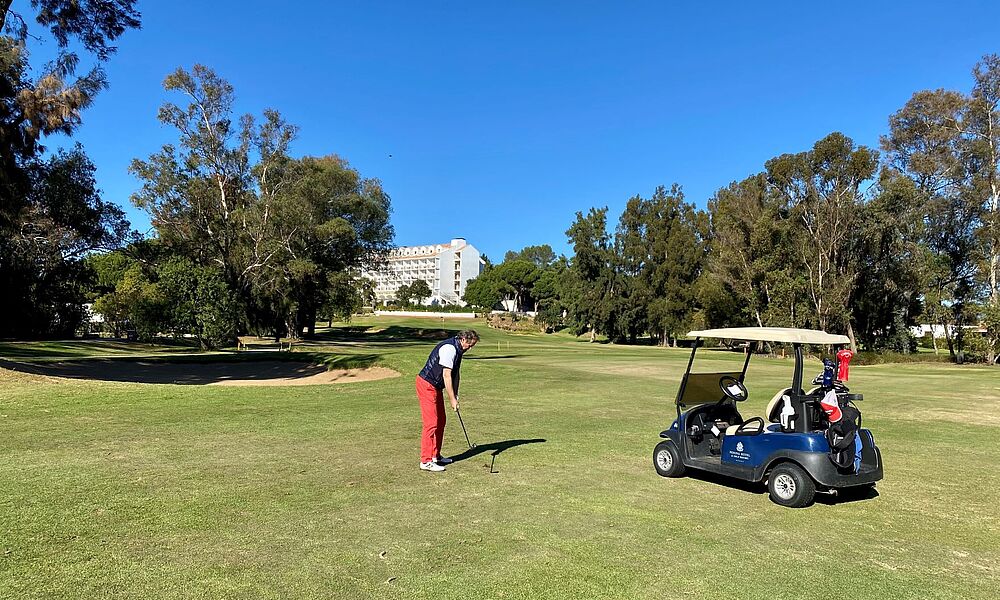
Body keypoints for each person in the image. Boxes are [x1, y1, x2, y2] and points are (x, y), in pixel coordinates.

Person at [415, 329, 480, 471]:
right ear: (463, 340)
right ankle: (425, 461)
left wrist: (455, 395)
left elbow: (456, 375)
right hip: (426, 384)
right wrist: (451, 400)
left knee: (441, 421)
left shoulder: (459, 351)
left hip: (435, 387)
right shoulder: (449, 349)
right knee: (431, 423)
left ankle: (435, 456)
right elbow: (446, 375)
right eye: (470, 345)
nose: (470, 348)